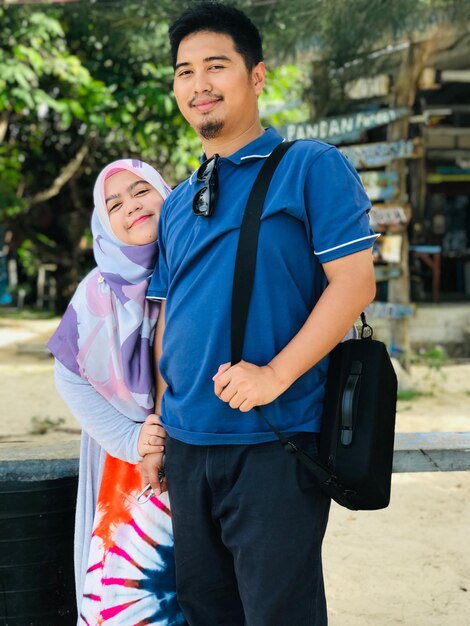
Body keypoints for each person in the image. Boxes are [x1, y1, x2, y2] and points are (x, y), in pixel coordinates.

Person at [143, 3, 378, 624]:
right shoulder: (178, 200)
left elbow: (354, 285)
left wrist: (273, 375)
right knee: (204, 611)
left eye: (215, 66)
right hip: (188, 448)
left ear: (257, 76)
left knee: (278, 615)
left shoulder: (310, 167)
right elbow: (172, 315)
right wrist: (161, 420)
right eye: (184, 71)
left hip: (274, 444)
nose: (198, 84)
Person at [48, 159, 186, 625]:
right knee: (137, 601)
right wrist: (131, 440)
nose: (132, 206)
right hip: (132, 472)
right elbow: (69, 376)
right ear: (103, 223)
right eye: (115, 204)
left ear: (166, 195)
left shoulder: (198, 266)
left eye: (141, 190)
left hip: (206, 449)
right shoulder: (96, 293)